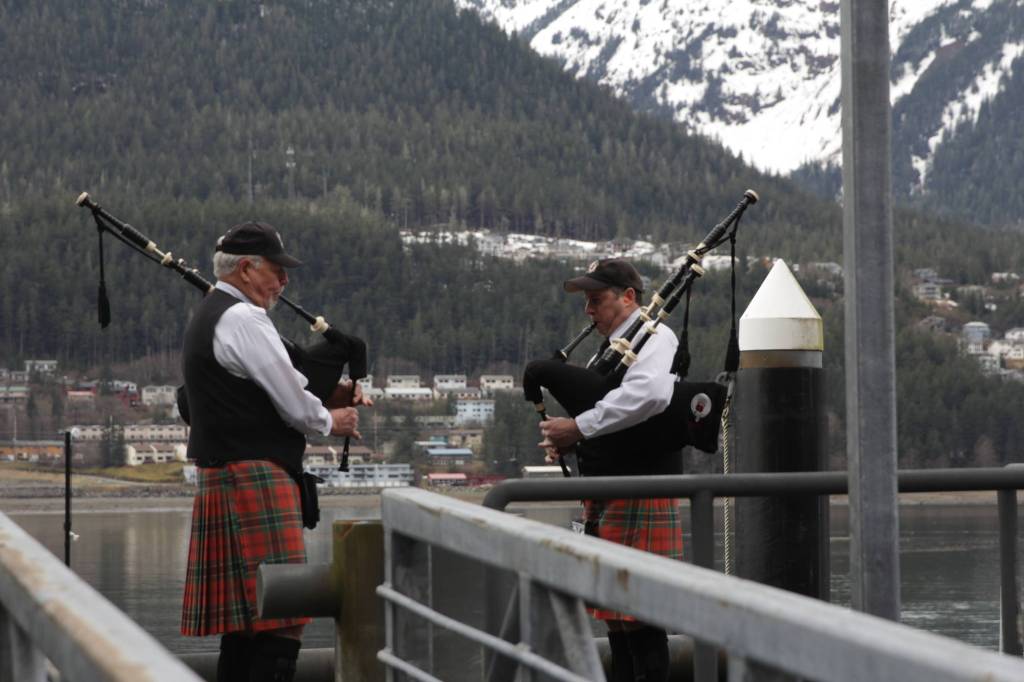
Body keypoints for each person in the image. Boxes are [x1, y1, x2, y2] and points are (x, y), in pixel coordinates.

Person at [179, 221, 369, 682]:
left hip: (227, 476)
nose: (284, 282)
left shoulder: (212, 312)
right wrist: (332, 420)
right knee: (285, 617)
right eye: (277, 271)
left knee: (246, 622)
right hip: (254, 477)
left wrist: (332, 396)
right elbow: (292, 403)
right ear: (247, 268)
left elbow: (267, 390)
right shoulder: (245, 319)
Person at [538, 258, 682, 682]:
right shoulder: (611, 347)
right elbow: (606, 409)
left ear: (629, 297)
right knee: (616, 618)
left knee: (642, 616)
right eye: (586, 301)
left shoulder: (656, 337)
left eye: (596, 300)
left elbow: (650, 395)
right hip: (610, 489)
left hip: (640, 485)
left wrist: (578, 427)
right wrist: (569, 438)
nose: (589, 310)